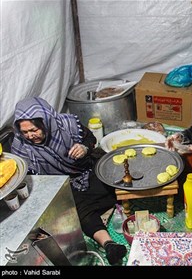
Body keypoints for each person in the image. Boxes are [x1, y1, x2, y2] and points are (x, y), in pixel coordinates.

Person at [11, 97, 127, 265]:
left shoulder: (67, 125)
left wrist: (84, 148)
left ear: (46, 122)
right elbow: (29, 179)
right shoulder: (20, 146)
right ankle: (109, 244)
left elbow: (90, 139)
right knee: (74, 208)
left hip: (84, 171)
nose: (30, 135)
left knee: (113, 181)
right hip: (60, 185)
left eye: (34, 129)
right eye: (25, 132)